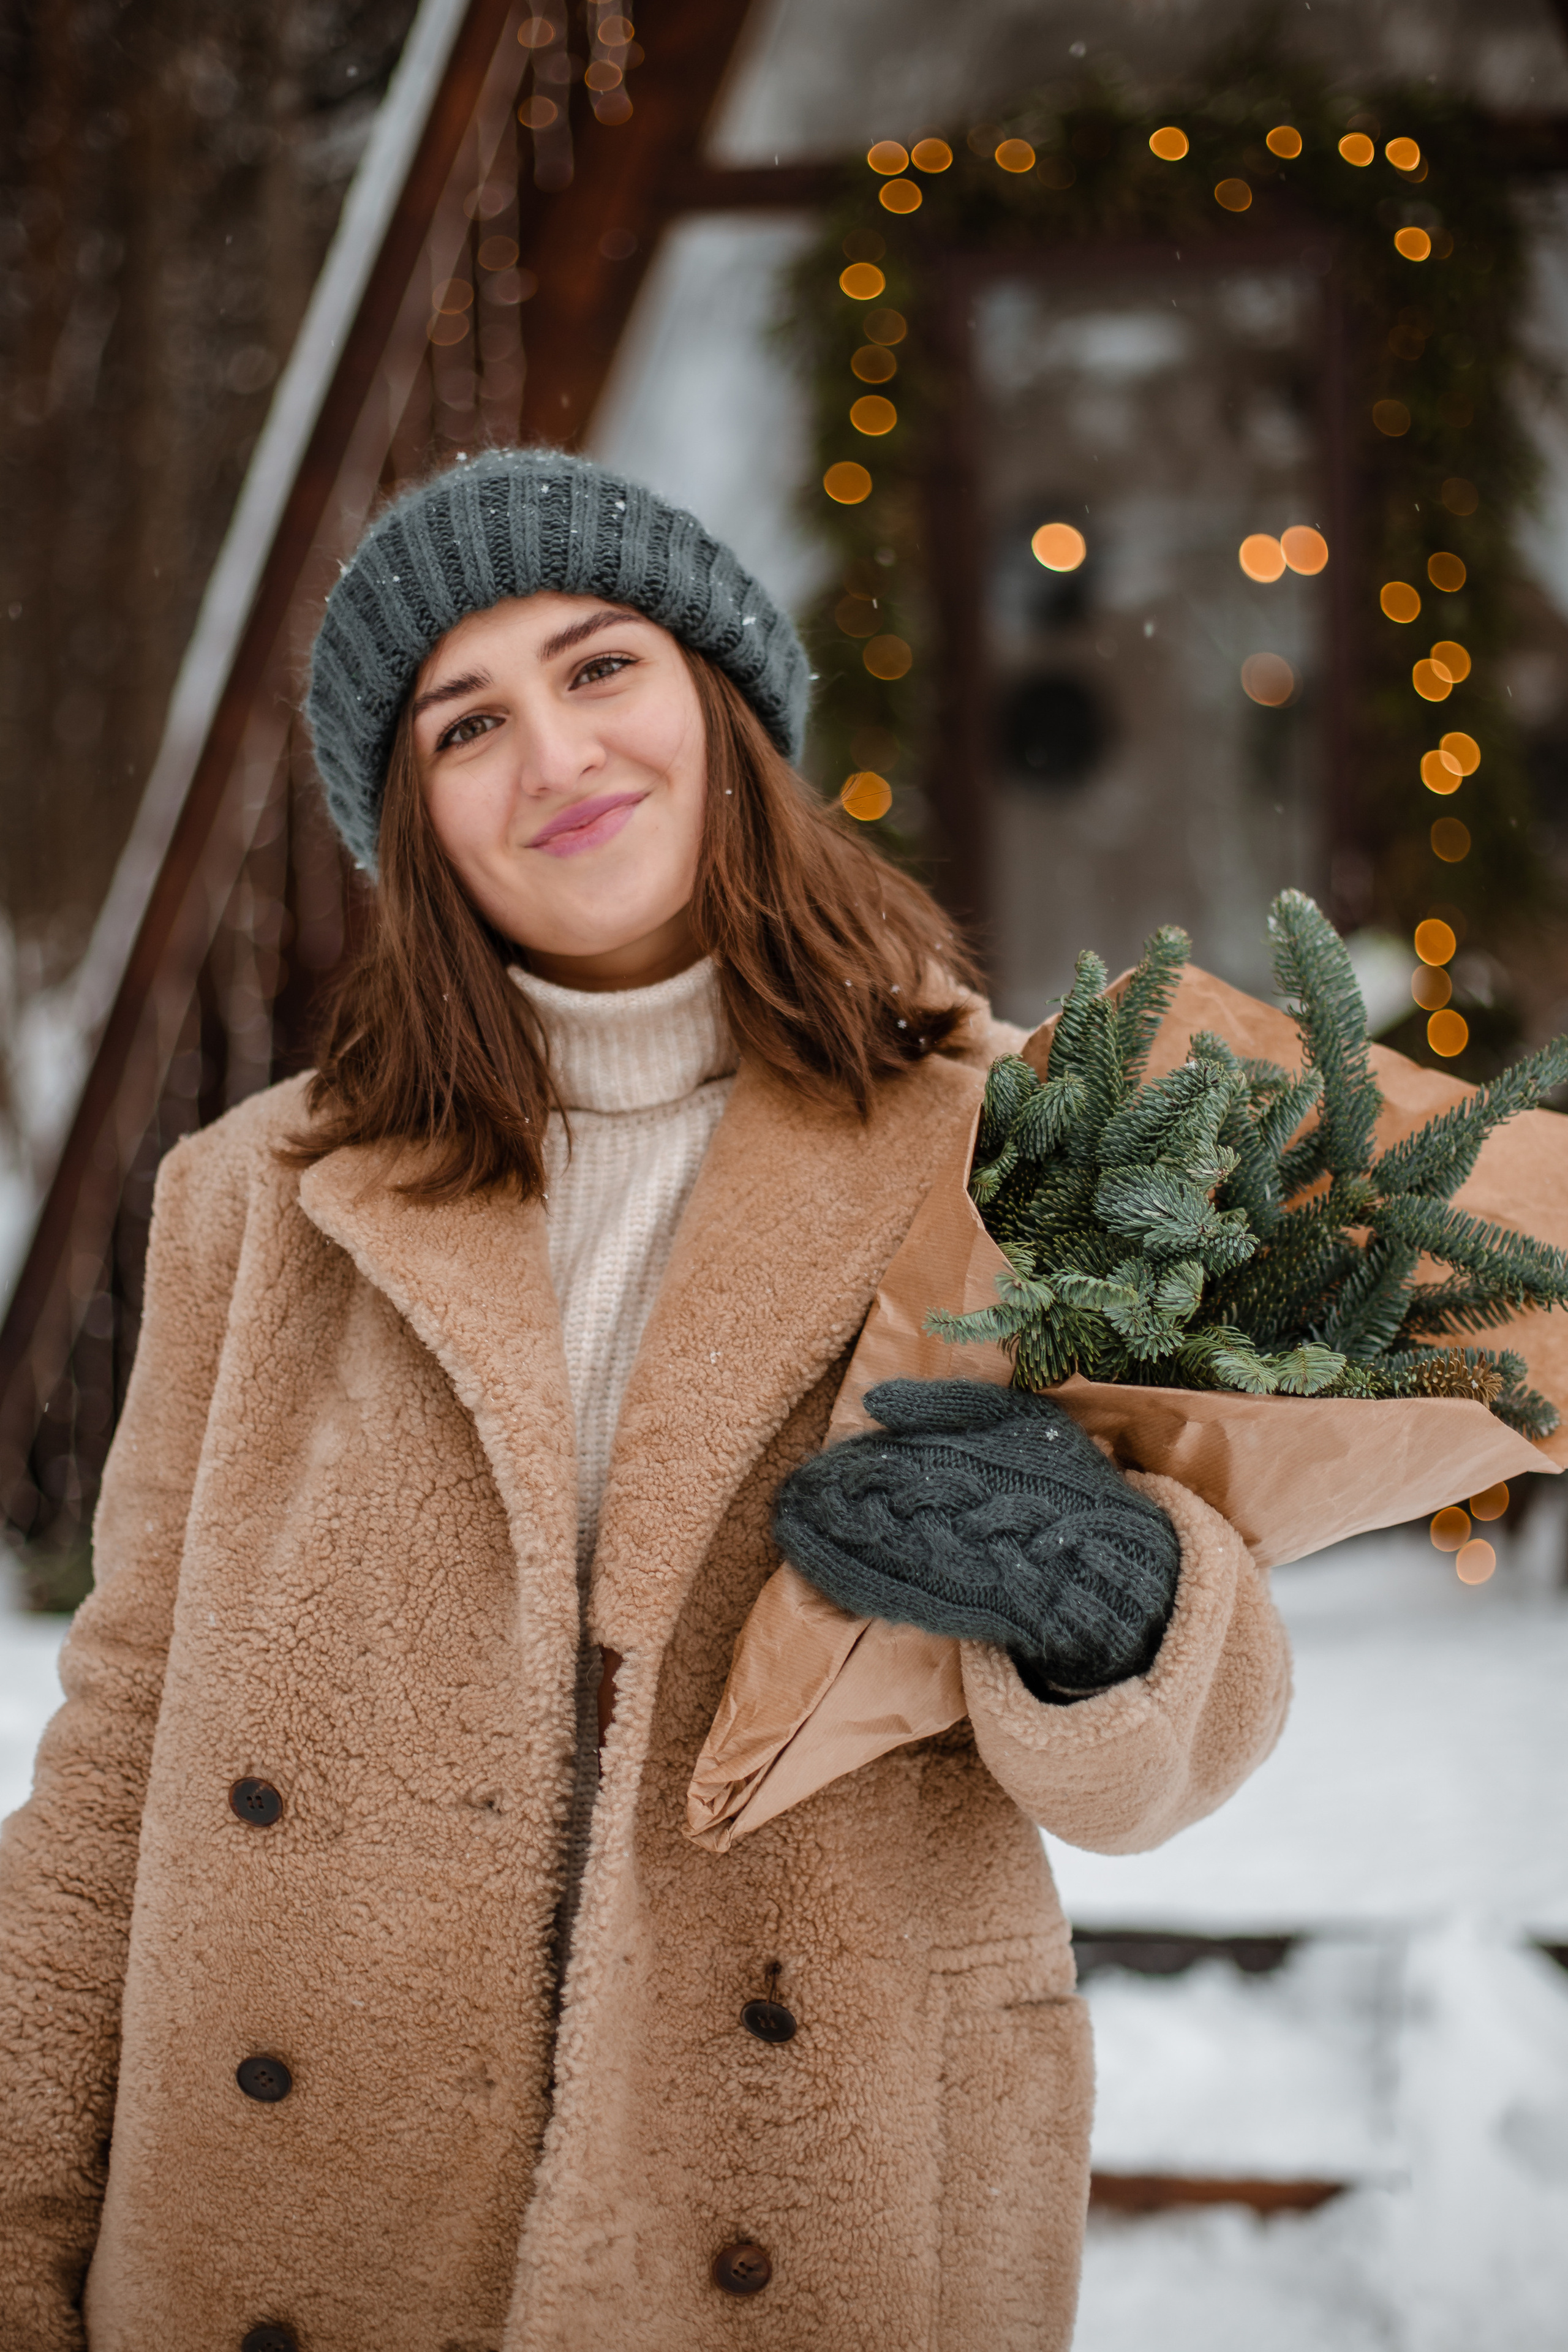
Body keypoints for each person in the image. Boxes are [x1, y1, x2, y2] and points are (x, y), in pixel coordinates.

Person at [0, 449, 1289, 2352]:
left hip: (808, 2183)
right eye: (467, 723)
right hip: (291, 2221)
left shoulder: (1013, 1147)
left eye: (600, 666)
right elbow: (118, 1750)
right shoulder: (256, 1202)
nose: (556, 756)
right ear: (412, 820)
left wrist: (1117, 1613)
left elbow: (1175, 1765)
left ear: (720, 701)